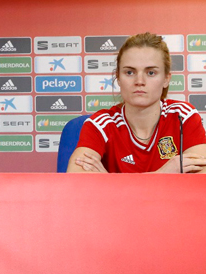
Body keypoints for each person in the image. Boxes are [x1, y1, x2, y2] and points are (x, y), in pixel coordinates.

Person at [68, 32, 206, 173]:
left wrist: (109, 180)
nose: (139, 81)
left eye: (151, 73)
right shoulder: (101, 124)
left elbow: (201, 179)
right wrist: (162, 174)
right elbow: (75, 178)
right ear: (118, 78)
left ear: (166, 79)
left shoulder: (182, 116)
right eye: (130, 72)